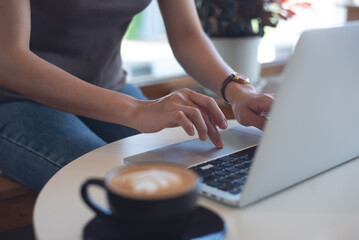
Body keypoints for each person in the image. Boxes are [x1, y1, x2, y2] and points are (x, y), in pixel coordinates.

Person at [0, 0, 274, 191]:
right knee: (118, 187)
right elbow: (9, 59)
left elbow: (188, 34)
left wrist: (239, 92)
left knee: (195, 174)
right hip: (15, 98)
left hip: (109, 87)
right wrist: (136, 110)